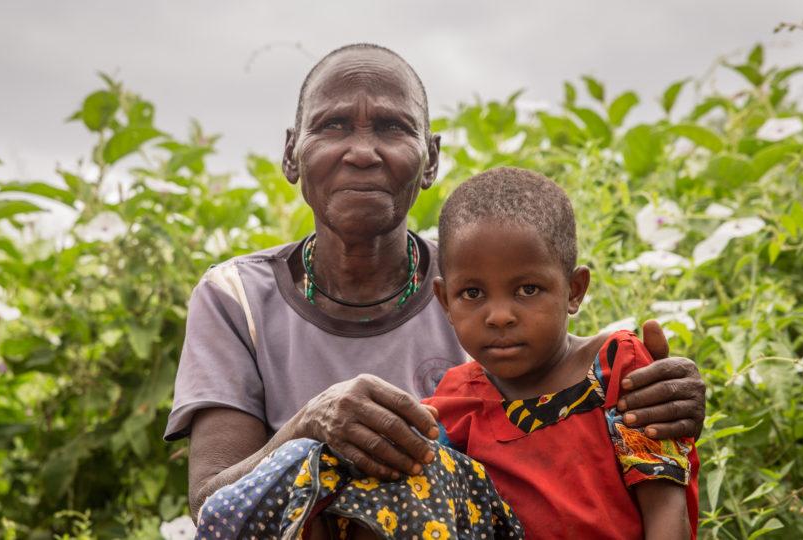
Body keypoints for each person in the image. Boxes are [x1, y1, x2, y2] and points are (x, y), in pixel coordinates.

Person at [165, 43, 707, 520]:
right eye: (332, 125)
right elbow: (213, 509)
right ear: (291, 154)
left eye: (392, 127)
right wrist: (309, 424)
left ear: (430, 160)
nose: (361, 151)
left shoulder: (480, 282)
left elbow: (582, 403)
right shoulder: (235, 298)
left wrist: (656, 398)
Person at [424, 167, 699, 538]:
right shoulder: (457, 401)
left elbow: (667, 508)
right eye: (472, 293)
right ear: (445, 301)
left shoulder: (616, 368)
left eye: (528, 289)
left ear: (574, 290)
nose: (500, 316)